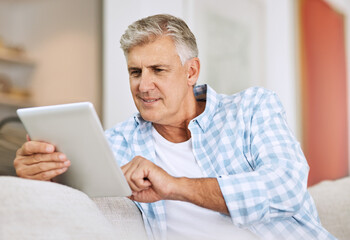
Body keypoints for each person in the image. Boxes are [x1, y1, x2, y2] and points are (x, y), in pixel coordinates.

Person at [14, 14, 336, 240]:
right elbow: (73, 194)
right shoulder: (115, 144)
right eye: (135, 71)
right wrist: (39, 175)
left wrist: (175, 186)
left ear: (191, 71)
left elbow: (286, 189)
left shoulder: (252, 109)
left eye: (158, 69)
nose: (144, 85)